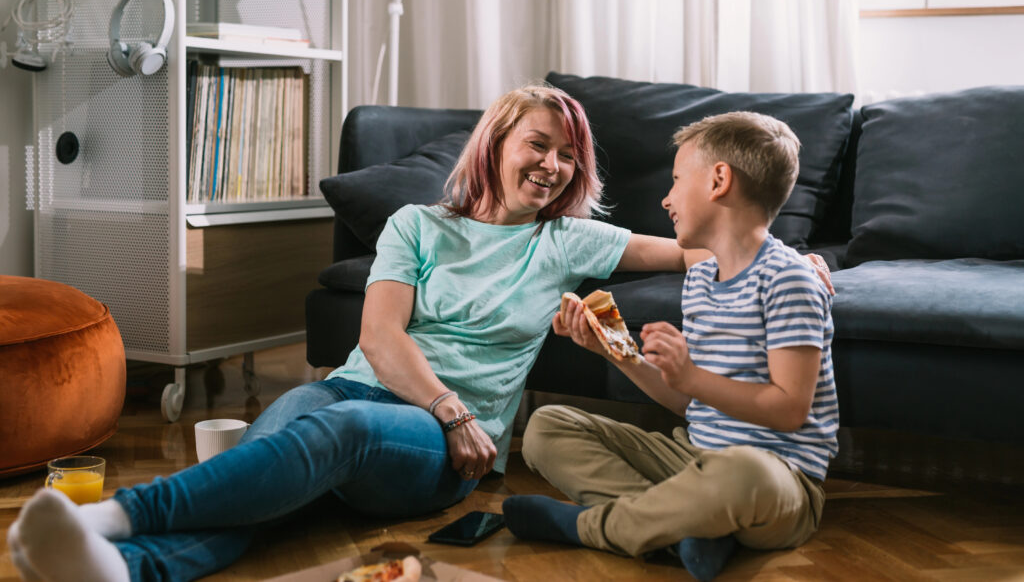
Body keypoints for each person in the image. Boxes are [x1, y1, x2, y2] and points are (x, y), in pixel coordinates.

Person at [7, 84, 710, 582]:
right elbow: (379, 337)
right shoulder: (417, 224)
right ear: (495, 142)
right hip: (370, 393)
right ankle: (130, 571)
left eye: (567, 154)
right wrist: (449, 403)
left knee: (327, 436)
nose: (553, 165)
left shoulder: (566, 240)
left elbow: (688, 250)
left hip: (444, 447)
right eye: (538, 144)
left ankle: (117, 517)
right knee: (269, 475)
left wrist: (773, 251)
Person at [502, 111, 839, 582]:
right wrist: (617, 354)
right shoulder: (700, 277)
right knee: (546, 426)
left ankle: (594, 527)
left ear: (720, 180)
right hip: (691, 459)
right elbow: (689, 403)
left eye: (678, 180)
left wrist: (692, 376)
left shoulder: (790, 279)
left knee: (744, 473)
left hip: (777, 481)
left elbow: (790, 411)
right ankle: (690, 528)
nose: (666, 198)